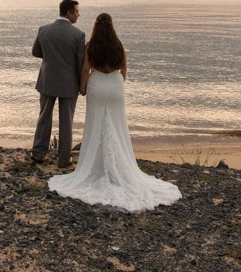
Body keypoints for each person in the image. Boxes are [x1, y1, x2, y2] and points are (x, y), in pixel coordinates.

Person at [48, 12, 181, 212]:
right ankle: (121, 165)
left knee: (95, 124)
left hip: (98, 86)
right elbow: (124, 68)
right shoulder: (119, 46)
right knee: (117, 125)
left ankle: (94, 165)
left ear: (95, 27)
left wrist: (82, 87)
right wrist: (119, 83)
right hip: (115, 85)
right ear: (112, 27)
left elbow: (85, 68)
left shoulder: (91, 46)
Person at [30, 0, 86, 167]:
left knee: (44, 118)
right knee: (66, 122)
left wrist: (51, 60)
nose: (78, 14)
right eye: (77, 12)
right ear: (68, 13)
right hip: (69, 83)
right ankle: (63, 159)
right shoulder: (78, 34)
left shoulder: (44, 30)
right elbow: (80, 62)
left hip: (47, 80)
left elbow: (35, 52)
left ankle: (38, 154)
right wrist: (82, 84)